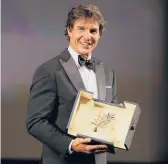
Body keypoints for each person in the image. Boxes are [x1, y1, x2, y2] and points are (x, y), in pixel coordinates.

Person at [27, 4, 117, 164]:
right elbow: (35, 122)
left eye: (93, 31)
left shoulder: (107, 72)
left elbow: (111, 117)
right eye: (81, 28)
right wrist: (70, 144)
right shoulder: (49, 70)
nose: (87, 36)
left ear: (99, 34)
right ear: (69, 30)